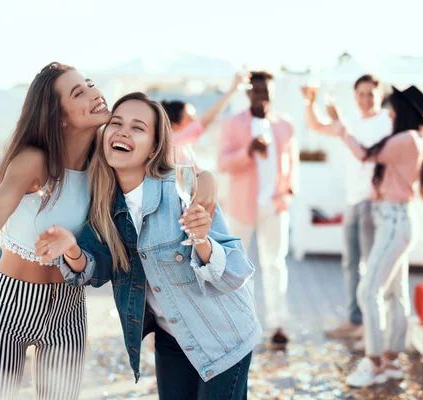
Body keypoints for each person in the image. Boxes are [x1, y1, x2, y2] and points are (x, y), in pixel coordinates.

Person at [0, 63, 218, 400]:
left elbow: (169, 167)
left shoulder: (108, 161)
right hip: (8, 304)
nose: (95, 93)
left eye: (91, 84)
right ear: (59, 115)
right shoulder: (34, 161)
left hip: (69, 308)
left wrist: (208, 181)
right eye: (78, 92)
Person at [35, 92, 260, 400]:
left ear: (155, 146)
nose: (123, 131)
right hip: (173, 338)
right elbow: (98, 268)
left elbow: (235, 271)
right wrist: (71, 248)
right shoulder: (104, 206)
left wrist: (203, 239)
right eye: (116, 123)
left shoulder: (181, 193)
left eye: (138, 127)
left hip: (222, 335)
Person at [327, 86, 423, 387]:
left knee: (368, 290)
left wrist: (342, 128)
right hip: (398, 220)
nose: (388, 113)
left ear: (402, 111)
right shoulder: (412, 139)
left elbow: (362, 153)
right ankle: (391, 361)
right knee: (393, 294)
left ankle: (373, 362)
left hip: (394, 222)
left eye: (392, 109)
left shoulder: (405, 139)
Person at [301, 75, 392, 343]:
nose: (366, 99)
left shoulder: (386, 122)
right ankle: (354, 320)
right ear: (354, 96)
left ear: (379, 95)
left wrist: (343, 127)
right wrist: (309, 101)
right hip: (353, 201)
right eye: (361, 94)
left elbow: (364, 151)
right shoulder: (351, 120)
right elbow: (315, 125)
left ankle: (371, 325)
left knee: (370, 265)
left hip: (374, 202)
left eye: (370, 94)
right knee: (351, 263)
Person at [218, 71, 298, 349]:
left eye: (267, 91)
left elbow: (292, 160)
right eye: (258, 90)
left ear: (273, 93)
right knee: (237, 265)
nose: (263, 96)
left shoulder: (285, 124)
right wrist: (247, 151)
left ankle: (278, 324)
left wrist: (289, 190)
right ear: (248, 92)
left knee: (275, 264)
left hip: (275, 205)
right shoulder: (233, 123)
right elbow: (222, 163)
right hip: (242, 206)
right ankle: (236, 323)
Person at [161, 73, 246, 146]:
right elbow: (207, 118)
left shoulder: (176, 143)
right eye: (190, 118)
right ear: (175, 125)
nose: (195, 120)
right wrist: (233, 89)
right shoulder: (176, 141)